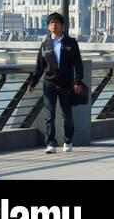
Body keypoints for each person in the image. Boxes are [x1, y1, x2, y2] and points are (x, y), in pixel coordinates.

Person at [23, 12, 85, 154]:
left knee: (67, 115)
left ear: (62, 25)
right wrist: (32, 82)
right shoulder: (45, 44)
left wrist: (78, 81)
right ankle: (50, 143)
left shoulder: (71, 43)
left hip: (66, 84)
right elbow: (39, 67)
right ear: (48, 26)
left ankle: (68, 140)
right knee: (49, 115)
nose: (54, 24)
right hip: (49, 84)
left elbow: (78, 64)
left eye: (56, 22)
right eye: (51, 22)